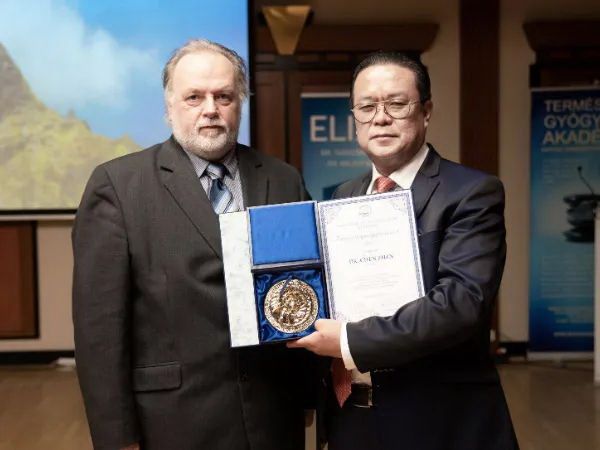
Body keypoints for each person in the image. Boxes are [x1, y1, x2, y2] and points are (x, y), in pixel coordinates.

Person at [72, 39, 312, 450]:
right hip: (171, 423)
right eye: (194, 97)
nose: (210, 109)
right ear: (169, 106)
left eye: (224, 96)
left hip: (272, 417)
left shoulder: (283, 179)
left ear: (240, 103)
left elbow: (303, 288)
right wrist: (117, 437)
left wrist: (307, 396)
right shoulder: (118, 186)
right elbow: (99, 331)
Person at [289, 51, 519, 450]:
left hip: (440, 422)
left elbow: (460, 305)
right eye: (366, 107)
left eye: (396, 104)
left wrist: (348, 341)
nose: (380, 118)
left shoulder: (471, 193)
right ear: (354, 118)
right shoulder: (342, 197)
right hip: (351, 419)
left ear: (426, 112)